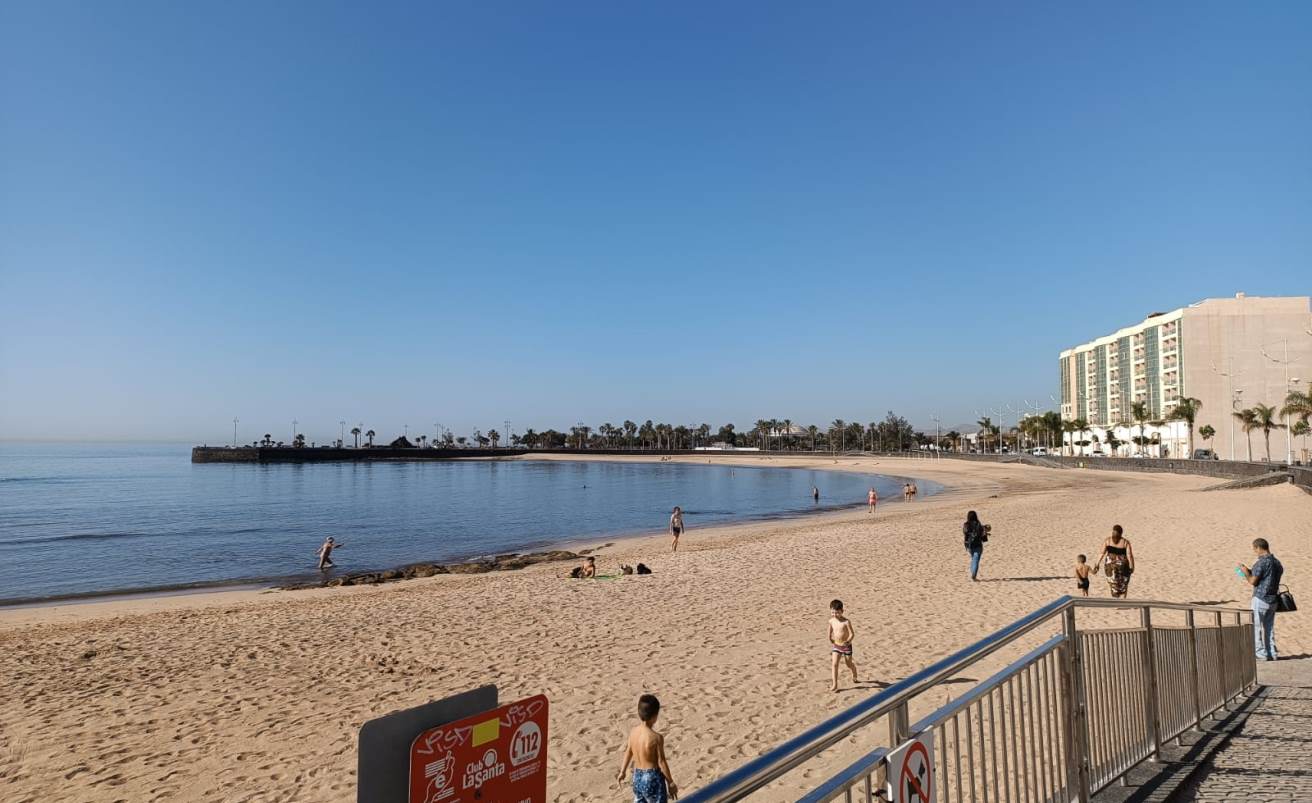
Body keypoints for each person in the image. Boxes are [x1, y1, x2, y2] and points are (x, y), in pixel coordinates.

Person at [616, 694, 679, 802]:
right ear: (655, 716)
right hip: (652, 778)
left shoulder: (633, 732)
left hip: (637, 777)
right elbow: (661, 762)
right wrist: (670, 782)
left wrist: (622, 772)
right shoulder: (656, 738)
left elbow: (629, 751)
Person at [1238, 537, 1284, 661]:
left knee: (1257, 627)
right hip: (1273, 600)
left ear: (1258, 547)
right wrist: (1251, 571)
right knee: (1269, 628)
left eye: (1255, 549)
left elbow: (1253, 581)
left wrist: (1245, 572)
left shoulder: (1262, 562)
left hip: (1261, 598)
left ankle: (1261, 654)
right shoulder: (1277, 563)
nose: (1255, 552)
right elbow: (1268, 577)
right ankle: (1272, 653)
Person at [828, 599, 859, 692]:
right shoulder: (831, 620)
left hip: (846, 646)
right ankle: (835, 684)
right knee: (834, 664)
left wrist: (848, 641)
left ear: (842, 611)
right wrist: (829, 638)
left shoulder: (846, 622)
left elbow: (852, 634)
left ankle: (854, 672)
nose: (835, 614)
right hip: (836, 645)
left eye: (837, 613)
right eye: (833, 612)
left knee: (848, 664)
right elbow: (830, 631)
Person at [1096, 525, 1135, 598]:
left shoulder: (1108, 541)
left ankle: (1115, 600)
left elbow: (1102, 553)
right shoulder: (1125, 542)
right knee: (1124, 582)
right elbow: (1129, 555)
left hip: (1110, 566)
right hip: (1123, 565)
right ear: (1121, 533)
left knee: (1113, 582)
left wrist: (1097, 563)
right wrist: (1132, 566)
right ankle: (1123, 600)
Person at [963, 511, 987, 581]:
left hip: (970, 544)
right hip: (978, 544)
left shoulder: (966, 524)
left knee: (973, 559)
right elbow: (983, 535)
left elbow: (965, 534)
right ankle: (974, 574)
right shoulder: (979, 524)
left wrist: (966, 543)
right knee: (976, 559)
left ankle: (973, 573)